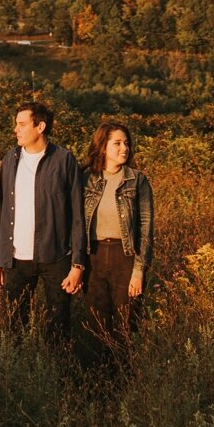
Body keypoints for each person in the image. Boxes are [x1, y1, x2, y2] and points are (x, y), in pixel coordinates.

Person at [0, 99, 86, 342]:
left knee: (59, 327)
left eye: (22, 124)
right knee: (13, 326)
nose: (16, 130)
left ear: (40, 127)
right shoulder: (10, 159)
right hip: (15, 259)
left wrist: (78, 265)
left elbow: (77, 215)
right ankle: (20, 377)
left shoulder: (64, 160)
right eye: (16, 125)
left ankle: (59, 376)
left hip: (55, 256)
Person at [81, 120, 154, 351]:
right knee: (97, 325)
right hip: (93, 256)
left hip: (125, 256)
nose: (125, 148)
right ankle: (100, 381)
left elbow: (146, 229)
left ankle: (126, 381)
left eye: (127, 143)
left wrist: (139, 271)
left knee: (127, 325)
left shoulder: (137, 180)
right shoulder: (86, 179)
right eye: (117, 143)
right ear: (102, 147)